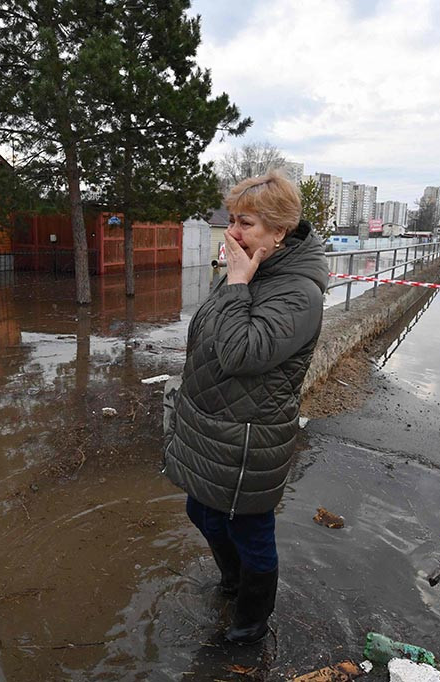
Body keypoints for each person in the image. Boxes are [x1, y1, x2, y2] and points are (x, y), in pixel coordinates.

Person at [162, 170, 329, 644]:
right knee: (202, 512)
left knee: (250, 532)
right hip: (212, 421)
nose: (233, 232)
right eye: (232, 220)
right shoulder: (252, 268)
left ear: (280, 231)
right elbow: (209, 333)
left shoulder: (298, 292)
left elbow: (242, 354)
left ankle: (251, 623)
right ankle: (233, 582)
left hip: (248, 437)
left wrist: (236, 283)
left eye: (245, 223)